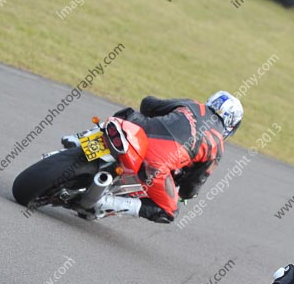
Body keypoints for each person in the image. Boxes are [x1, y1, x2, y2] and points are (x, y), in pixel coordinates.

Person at [77, 91, 243, 223]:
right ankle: (103, 204)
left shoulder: (191, 104)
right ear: (231, 125)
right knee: (169, 212)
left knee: (124, 116)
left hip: (132, 131)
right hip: (155, 164)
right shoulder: (217, 147)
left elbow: (147, 104)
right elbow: (191, 186)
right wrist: (186, 193)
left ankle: (81, 140)